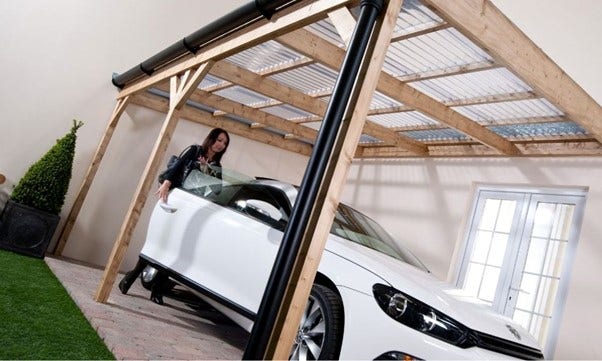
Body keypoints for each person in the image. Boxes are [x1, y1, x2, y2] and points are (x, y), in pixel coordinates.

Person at [118, 127, 230, 305]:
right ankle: (131, 276)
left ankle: (157, 289)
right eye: (219, 140)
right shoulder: (194, 150)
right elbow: (177, 166)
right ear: (211, 139)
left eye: (224, 143)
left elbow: (217, 190)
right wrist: (166, 184)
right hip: (174, 200)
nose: (221, 145)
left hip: (191, 208)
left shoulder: (216, 166)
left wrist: (207, 170)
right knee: (159, 241)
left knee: (174, 248)